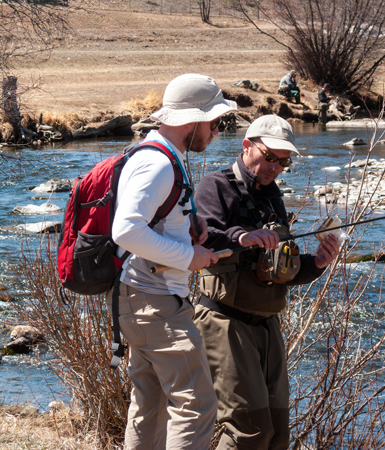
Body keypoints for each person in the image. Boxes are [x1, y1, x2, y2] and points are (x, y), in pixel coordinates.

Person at [192, 114, 340, 449]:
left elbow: (281, 271)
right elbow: (203, 237)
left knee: (276, 433)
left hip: (267, 327)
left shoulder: (274, 199)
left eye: (283, 162)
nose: (275, 167)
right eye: (269, 157)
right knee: (249, 431)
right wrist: (243, 236)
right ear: (247, 146)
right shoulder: (215, 186)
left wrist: (317, 263)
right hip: (225, 323)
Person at [109, 73, 237, 450]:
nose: (216, 132)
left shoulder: (159, 154)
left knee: (150, 406)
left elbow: (152, 219)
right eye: (215, 123)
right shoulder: (159, 164)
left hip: (136, 300)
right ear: (194, 119)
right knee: (196, 406)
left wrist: (189, 221)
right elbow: (127, 231)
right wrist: (189, 256)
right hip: (157, 302)